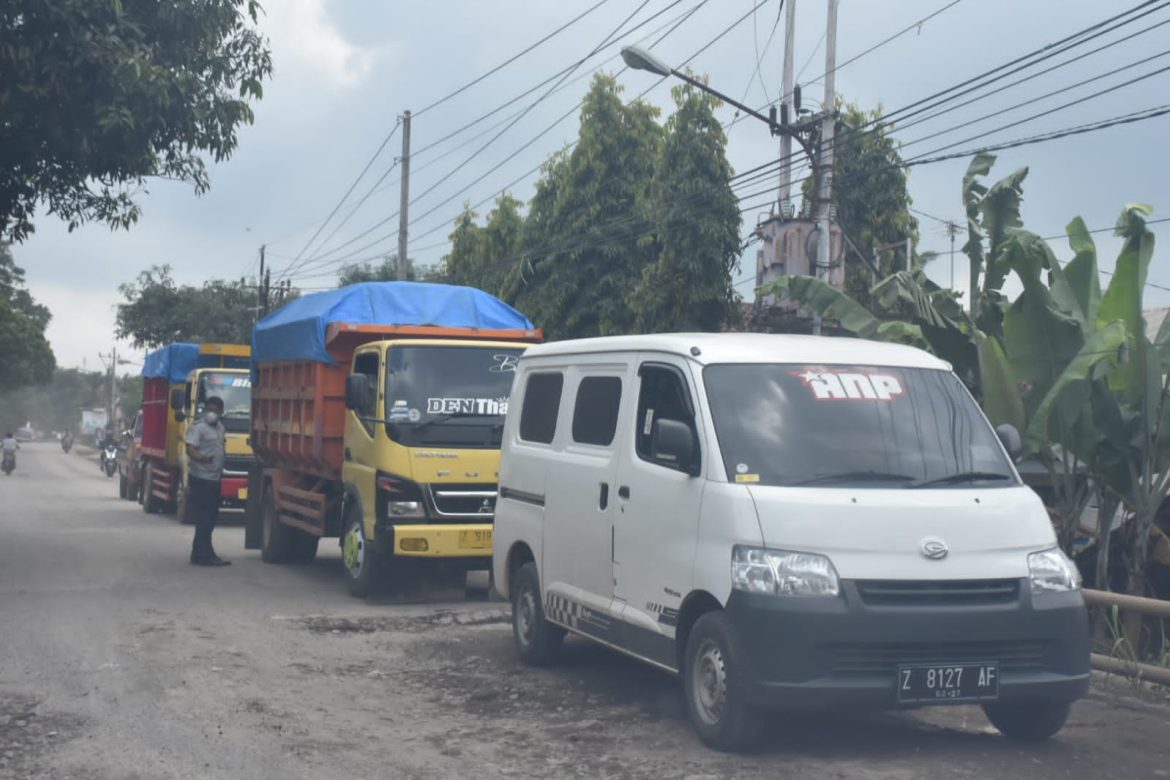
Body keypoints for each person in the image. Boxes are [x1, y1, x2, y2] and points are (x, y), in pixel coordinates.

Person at [185, 397, 230, 566]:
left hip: (214, 478)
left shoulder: (220, 428)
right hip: (201, 478)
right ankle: (204, 556)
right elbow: (190, 449)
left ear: (220, 412)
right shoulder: (198, 428)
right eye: (209, 409)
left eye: (215, 410)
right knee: (204, 518)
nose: (211, 413)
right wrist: (202, 459)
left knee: (209, 519)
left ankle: (199, 553)